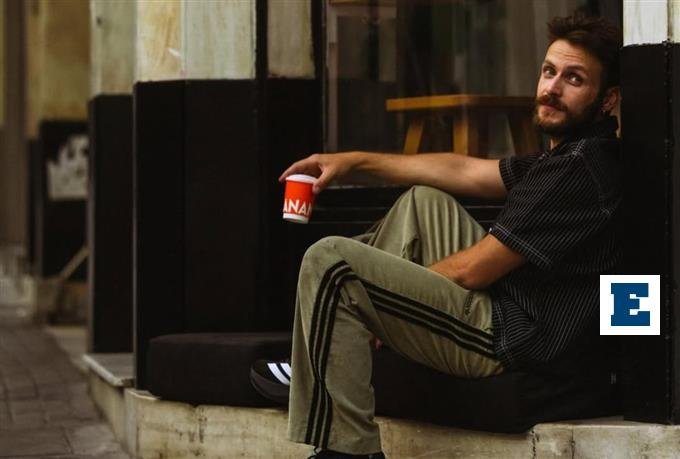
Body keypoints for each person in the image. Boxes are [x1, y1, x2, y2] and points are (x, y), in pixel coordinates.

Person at [253, 13, 622, 459]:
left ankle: (348, 448)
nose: (552, 88)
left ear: (607, 99)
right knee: (423, 203)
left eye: (574, 79)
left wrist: (389, 300)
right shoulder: (569, 156)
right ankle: (327, 355)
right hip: (510, 305)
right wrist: (352, 161)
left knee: (331, 262)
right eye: (549, 72)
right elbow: (463, 170)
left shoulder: (578, 170)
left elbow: (472, 271)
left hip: (508, 336)